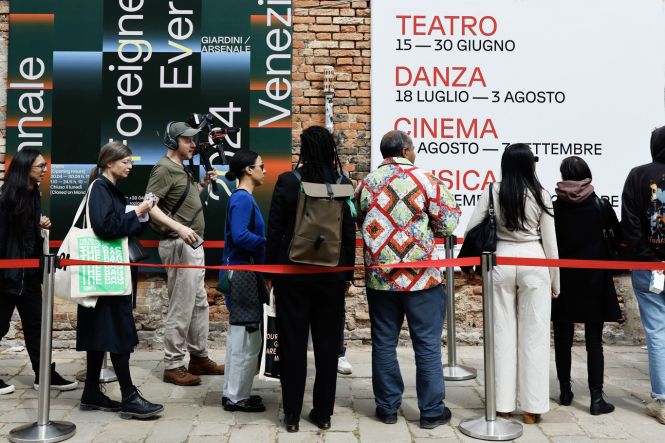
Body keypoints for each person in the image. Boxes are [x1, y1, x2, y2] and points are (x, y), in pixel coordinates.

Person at [355, 130, 460, 429]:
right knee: (426, 345)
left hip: (380, 279)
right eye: (413, 148)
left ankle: (387, 408)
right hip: (422, 279)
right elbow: (448, 223)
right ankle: (430, 412)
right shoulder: (427, 180)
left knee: (384, 343)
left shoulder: (366, 183)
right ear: (404, 149)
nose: (415, 153)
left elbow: (358, 218)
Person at [266, 126, 356, 432]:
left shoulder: (289, 181)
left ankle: (291, 414)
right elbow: (347, 233)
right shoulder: (343, 183)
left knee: (292, 344)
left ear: (304, 149)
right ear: (331, 149)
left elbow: (275, 230)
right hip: (330, 276)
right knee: (328, 347)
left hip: (292, 275)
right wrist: (347, 274)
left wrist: (270, 272)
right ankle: (323, 413)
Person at [465, 143, 559, 424]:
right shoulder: (541, 194)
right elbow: (551, 241)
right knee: (536, 336)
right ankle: (532, 408)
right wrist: (556, 280)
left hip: (500, 260)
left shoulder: (493, 190)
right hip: (535, 260)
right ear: (530, 164)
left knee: (500, 333)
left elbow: (472, 229)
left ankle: (502, 403)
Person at [77, 141, 163, 419]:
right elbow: (105, 228)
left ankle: (91, 392)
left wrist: (143, 213)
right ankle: (129, 396)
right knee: (119, 334)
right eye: (125, 161)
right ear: (109, 163)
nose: (130, 165)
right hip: (108, 275)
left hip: (104, 274)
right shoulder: (101, 189)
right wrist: (137, 212)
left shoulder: (107, 189)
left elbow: (119, 224)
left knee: (99, 334)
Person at [146, 121, 224, 386]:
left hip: (193, 244)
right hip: (179, 245)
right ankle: (173, 364)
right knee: (182, 305)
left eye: (193, 140)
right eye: (187, 140)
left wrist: (201, 185)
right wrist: (179, 228)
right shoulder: (164, 169)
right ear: (172, 142)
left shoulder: (181, 169)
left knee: (199, 303)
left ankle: (199, 357)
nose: (193, 145)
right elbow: (150, 207)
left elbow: (182, 202)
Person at [0, 148, 77, 394]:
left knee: (37, 326)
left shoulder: (33, 194)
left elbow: (25, 236)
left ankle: (43, 375)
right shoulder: (7, 197)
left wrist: (38, 223)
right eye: (40, 166)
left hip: (29, 274)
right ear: (26, 168)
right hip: (7, 276)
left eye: (45, 166)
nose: (45, 170)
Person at [552, 156, 621, 415]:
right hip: (594, 278)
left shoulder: (554, 207)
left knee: (562, 337)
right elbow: (618, 237)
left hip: (564, 279)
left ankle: (565, 392)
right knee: (594, 340)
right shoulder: (600, 206)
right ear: (587, 174)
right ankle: (595, 398)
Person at [621, 125, 665, 425]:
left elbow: (631, 221)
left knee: (657, 332)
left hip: (649, 266)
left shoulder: (638, 174)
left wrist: (647, 255)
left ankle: (662, 399)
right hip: (651, 264)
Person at [220, 150, 267, 413]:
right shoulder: (243, 200)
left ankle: (234, 393)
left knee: (242, 336)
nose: (265, 170)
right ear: (249, 170)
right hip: (243, 276)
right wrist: (267, 244)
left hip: (241, 274)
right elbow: (240, 236)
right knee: (246, 337)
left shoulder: (242, 199)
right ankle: (237, 397)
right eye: (262, 166)